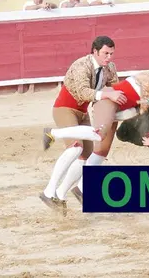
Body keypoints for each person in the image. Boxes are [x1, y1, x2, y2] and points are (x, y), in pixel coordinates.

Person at [43, 53, 149, 203]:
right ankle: (53, 133)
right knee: (97, 134)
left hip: (118, 107)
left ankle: (77, 190)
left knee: (101, 152)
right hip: (109, 103)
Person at [38, 36, 120, 210]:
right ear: (95, 51)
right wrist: (108, 95)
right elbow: (83, 93)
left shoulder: (110, 68)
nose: (109, 57)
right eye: (105, 53)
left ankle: (60, 194)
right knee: (76, 147)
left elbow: (115, 88)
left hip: (82, 113)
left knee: (85, 158)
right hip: (64, 109)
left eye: (111, 53)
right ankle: (48, 192)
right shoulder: (81, 65)